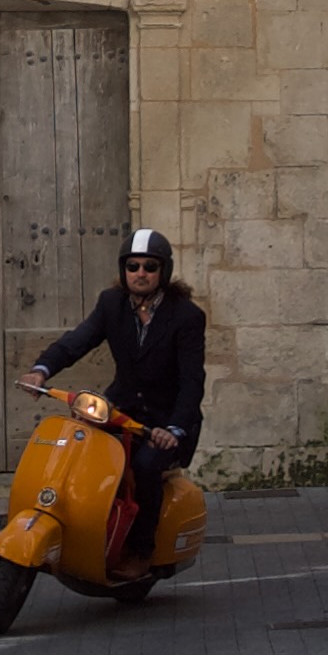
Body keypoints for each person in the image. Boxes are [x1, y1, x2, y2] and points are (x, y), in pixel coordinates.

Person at [20, 229, 205, 549]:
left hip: (164, 418)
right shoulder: (111, 303)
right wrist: (41, 370)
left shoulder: (186, 316)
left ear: (164, 271)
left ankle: (140, 549)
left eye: (150, 266)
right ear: (124, 270)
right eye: (133, 267)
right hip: (120, 408)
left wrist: (174, 428)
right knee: (79, 444)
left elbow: (192, 381)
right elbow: (77, 341)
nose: (141, 274)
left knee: (145, 467)